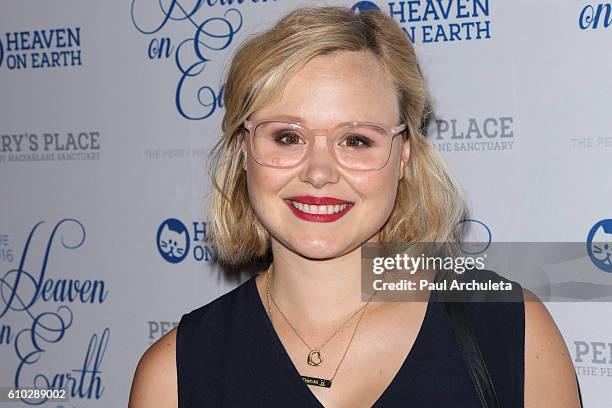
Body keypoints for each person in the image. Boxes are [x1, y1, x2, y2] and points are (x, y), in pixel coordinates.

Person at [129, 6, 581, 408]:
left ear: (403, 156)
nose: (319, 172)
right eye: (288, 136)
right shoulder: (174, 373)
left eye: (356, 139)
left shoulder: (508, 328)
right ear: (244, 149)